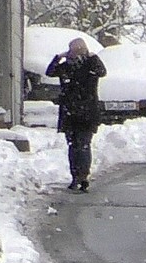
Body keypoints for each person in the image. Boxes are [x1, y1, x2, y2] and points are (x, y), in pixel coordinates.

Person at [43, 38, 105, 192]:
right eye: (73, 50)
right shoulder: (66, 67)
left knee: (83, 145)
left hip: (86, 113)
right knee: (74, 146)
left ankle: (82, 176)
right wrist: (58, 58)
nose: (75, 53)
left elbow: (102, 71)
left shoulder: (91, 64)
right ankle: (75, 176)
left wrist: (92, 56)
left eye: (79, 49)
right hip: (71, 113)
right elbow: (50, 72)